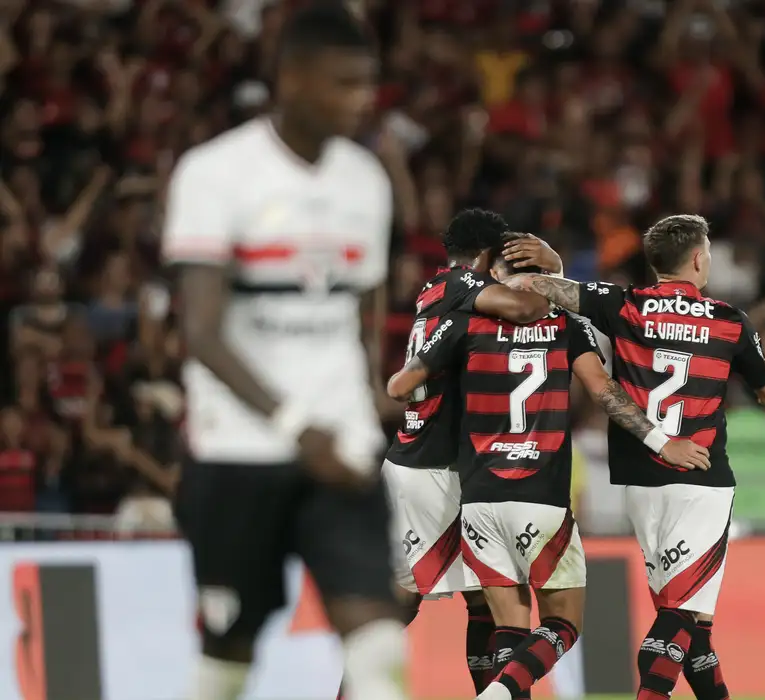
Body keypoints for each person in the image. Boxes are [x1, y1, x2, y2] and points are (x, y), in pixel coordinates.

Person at [162, 5, 404, 700]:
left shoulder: (367, 181)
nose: (362, 100)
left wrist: (368, 394)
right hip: (239, 450)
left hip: (341, 449)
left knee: (379, 643)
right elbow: (201, 334)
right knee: (228, 656)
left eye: (367, 83)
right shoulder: (216, 174)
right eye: (344, 83)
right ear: (292, 79)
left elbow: (361, 307)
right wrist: (297, 427)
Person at [387, 231, 711, 700]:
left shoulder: (464, 323)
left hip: (478, 497)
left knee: (506, 627)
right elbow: (603, 391)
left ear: (495, 277)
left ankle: (496, 691)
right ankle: (495, 694)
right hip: (540, 494)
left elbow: (400, 387)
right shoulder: (566, 324)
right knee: (563, 622)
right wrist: (661, 442)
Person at [502, 214, 765, 700]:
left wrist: (536, 269)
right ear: (699, 260)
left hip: (641, 481)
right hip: (700, 480)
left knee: (693, 625)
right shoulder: (728, 321)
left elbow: (542, 287)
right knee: (680, 616)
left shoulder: (622, 304)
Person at [360, 209, 551, 700]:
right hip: (430, 470)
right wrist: (551, 268)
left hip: (436, 463)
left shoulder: (436, 290)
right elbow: (525, 309)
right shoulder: (463, 285)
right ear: (487, 255)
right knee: (404, 603)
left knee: (484, 599)